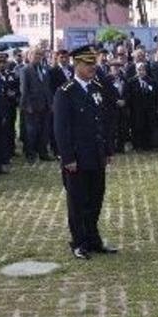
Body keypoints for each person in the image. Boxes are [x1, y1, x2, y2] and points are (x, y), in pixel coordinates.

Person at [53, 45, 116, 260]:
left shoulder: (97, 87)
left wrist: (108, 150)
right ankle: (79, 242)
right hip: (77, 158)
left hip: (96, 154)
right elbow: (61, 129)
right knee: (77, 201)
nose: (92, 67)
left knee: (96, 199)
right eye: (88, 64)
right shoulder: (66, 92)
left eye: (94, 63)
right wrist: (68, 157)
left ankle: (93, 238)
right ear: (76, 65)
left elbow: (103, 121)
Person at [19, 47, 54, 163]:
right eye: (35, 54)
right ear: (29, 56)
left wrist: (51, 103)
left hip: (45, 105)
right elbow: (24, 89)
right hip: (32, 107)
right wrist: (27, 105)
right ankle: (30, 154)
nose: (38, 57)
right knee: (31, 132)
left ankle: (43, 152)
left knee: (44, 131)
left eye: (40, 54)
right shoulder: (25, 70)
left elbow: (48, 87)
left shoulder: (44, 69)